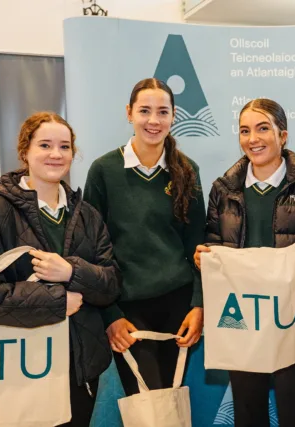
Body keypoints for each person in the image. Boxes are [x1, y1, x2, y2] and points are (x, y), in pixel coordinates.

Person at [0, 112, 121, 426]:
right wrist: (57, 301)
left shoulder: (87, 215)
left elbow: (111, 284)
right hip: (20, 367)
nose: (56, 154)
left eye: (65, 146)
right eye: (45, 145)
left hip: (79, 368)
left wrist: (71, 272)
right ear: (24, 152)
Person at [193, 98, 295, 427]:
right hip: (243, 321)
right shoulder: (223, 190)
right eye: (244, 131)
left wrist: (282, 264)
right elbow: (214, 245)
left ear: (282, 136)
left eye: (262, 129)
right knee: (247, 416)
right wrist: (206, 258)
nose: (252, 138)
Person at [83, 78, 206, 395]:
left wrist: (198, 305)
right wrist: (110, 315)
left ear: (174, 116)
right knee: (146, 403)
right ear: (129, 113)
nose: (154, 121)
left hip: (178, 307)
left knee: (169, 399)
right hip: (128, 308)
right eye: (145, 111)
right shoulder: (104, 170)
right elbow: (90, 250)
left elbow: (198, 247)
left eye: (163, 112)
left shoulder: (187, 170)